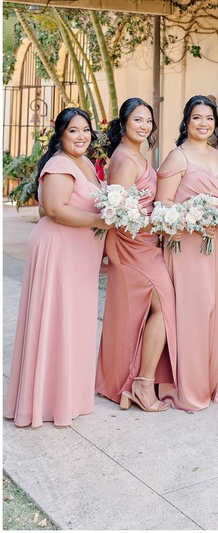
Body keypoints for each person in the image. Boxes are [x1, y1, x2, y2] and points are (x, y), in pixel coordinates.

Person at [5, 108, 108, 427]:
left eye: (86, 130)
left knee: (73, 325)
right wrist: (100, 221)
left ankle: (68, 398)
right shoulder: (60, 164)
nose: (81, 136)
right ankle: (44, 403)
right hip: (59, 251)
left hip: (79, 255)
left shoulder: (85, 162)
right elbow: (52, 209)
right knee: (56, 321)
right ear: (61, 134)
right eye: (73, 130)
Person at [96, 98, 177, 412]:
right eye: (138, 120)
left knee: (144, 311)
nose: (144, 126)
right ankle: (142, 384)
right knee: (164, 307)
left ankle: (131, 381)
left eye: (148, 121)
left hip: (145, 244)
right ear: (124, 123)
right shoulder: (126, 160)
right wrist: (161, 222)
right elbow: (118, 215)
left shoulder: (134, 154)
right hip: (131, 246)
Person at [156, 95, 218, 410]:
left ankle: (213, 380)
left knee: (215, 308)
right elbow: (163, 204)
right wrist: (192, 218)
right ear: (187, 121)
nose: (204, 124)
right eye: (197, 118)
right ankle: (190, 388)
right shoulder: (177, 157)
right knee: (195, 311)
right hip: (188, 245)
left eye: (209, 118)